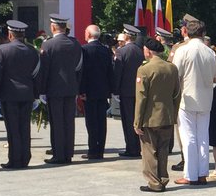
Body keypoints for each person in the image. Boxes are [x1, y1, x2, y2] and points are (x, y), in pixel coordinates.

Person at [170, 16, 216, 185]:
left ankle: (190, 174)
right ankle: (202, 173)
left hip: (187, 98)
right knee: (203, 136)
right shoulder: (210, 51)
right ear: (203, 33)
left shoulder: (182, 51)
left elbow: (175, 75)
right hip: (206, 98)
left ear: (186, 32)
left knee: (188, 137)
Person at [134, 36, 181, 193]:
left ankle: (154, 182)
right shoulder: (171, 68)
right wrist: (173, 114)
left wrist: (137, 122)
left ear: (147, 51)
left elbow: (141, 97)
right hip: (166, 116)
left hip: (149, 117)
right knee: (163, 150)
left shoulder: (144, 69)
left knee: (149, 152)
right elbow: (177, 94)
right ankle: (163, 178)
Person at [0, 20, 40, 169]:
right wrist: (36, 94)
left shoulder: (2, 49)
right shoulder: (32, 50)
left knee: (12, 128)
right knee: (25, 127)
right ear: (23, 35)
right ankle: (25, 157)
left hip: (9, 94)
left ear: (10, 34)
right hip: (27, 93)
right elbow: (36, 74)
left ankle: (14, 159)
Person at [39, 14, 83, 165]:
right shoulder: (75, 44)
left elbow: (44, 69)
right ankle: (68, 153)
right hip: (71, 88)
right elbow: (78, 67)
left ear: (53, 27)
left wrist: (42, 90)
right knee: (68, 122)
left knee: (57, 122)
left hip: (54, 89)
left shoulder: (48, 45)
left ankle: (58, 154)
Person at [79, 24, 114, 160]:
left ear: (88, 35)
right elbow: (110, 72)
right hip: (103, 91)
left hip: (89, 92)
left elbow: (83, 73)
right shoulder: (106, 50)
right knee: (101, 122)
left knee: (91, 122)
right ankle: (100, 150)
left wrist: (81, 90)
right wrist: (111, 90)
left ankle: (93, 150)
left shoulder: (84, 49)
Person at [112, 25, 144, 158]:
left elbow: (117, 72)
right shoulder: (140, 50)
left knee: (127, 120)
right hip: (139, 90)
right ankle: (137, 146)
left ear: (126, 36)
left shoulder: (121, 51)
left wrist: (115, 89)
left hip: (125, 91)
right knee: (137, 120)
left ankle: (131, 148)